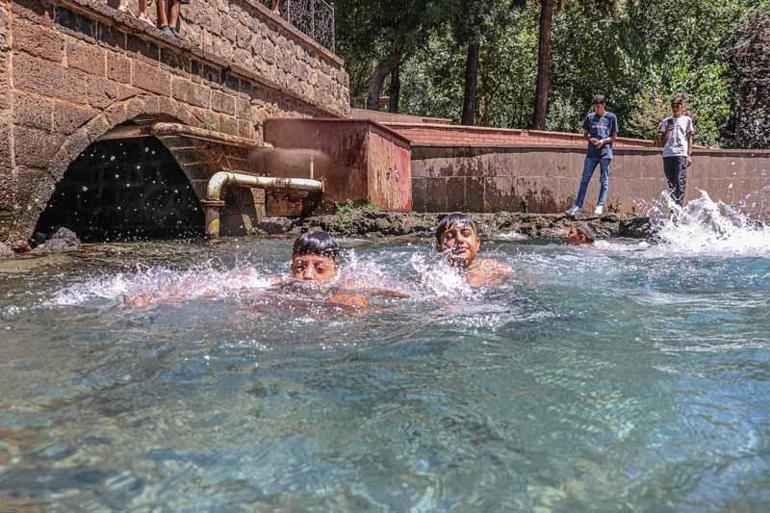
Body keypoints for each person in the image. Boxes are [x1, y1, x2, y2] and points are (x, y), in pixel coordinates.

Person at [565, 94, 619, 216]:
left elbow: (614, 137)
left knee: (604, 180)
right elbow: (585, 134)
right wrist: (591, 140)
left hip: (605, 153)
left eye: (599, 106)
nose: (597, 109)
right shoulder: (589, 117)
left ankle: (599, 205)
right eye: (595, 107)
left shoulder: (611, 117)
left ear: (603, 105)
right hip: (591, 154)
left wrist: (603, 141)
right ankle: (578, 206)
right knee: (585, 179)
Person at [434, 213, 513, 288]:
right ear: (440, 248)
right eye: (450, 236)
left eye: (466, 234)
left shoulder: (495, 269)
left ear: (477, 243)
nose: (459, 239)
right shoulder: (435, 277)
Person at [658, 94, 695, 206]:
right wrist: (667, 132)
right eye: (673, 106)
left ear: (681, 106)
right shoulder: (666, 121)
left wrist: (689, 154)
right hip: (668, 154)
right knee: (671, 182)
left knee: (680, 180)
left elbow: (689, 138)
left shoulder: (686, 120)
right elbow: (661, 142)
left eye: (677, 106)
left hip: (680, 154)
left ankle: (678, 206)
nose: (675, 109)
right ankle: (673, 206)